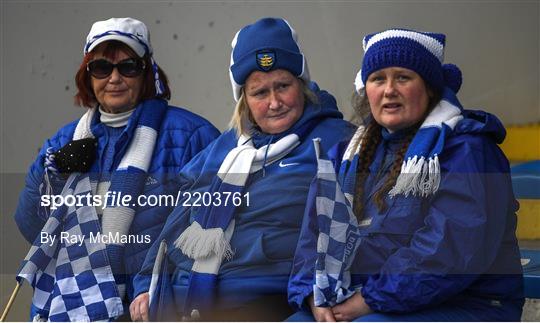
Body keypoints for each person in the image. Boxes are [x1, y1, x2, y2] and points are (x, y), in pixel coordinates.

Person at [288, 28, 524, 321]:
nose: (389, 90)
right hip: (363, 296)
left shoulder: (467, 150)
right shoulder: (346, 154)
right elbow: (314, 235)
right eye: (377, 79)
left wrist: (369, 299)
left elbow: (449, 252)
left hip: (464, 303)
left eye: (403, 77)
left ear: (429, 88)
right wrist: (313, 295)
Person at [129, 17, 356, 321]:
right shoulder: (225, 148)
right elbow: (176, 221)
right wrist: (146, 286)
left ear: (302, 86)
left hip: (268, 300)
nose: (274, 102)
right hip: (186, 299)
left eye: (283, 86)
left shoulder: (338, 140)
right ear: (244, 102)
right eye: (260, 93)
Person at [14, 17, 219, 321]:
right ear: (87, 76)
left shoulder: (191, 135)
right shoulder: (63, 141)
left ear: (147, 72)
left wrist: (166, 293)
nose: (114, 78)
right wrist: (52, 174)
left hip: (149, 308)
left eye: (128, 67)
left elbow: (214, 227)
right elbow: (32, 226)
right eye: (101, 67)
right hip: (72, 307)